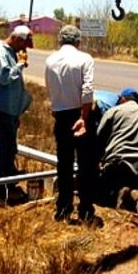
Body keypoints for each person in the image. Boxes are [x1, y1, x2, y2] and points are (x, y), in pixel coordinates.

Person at [44, 25, 99, 224]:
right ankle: (85, 208)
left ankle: (64, 207)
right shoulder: (85, 59)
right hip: (79, 114)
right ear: (78, 42)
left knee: (64, 163)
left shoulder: (50, 60)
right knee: (86, 164)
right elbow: (87, 90)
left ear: (60, 41)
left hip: (61, 114)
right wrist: (84, 117)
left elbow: (49, 89)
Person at [0, 24, 34, 206]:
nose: (24, 49)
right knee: (6, 148)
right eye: (23, 45)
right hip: (1, 107)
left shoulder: (9, 52)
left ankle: (8, 186)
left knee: (10, 148)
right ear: (17, 39)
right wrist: (19, 65)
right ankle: (0, 191)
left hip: (10, 108)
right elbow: (4, 78)